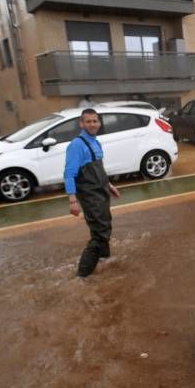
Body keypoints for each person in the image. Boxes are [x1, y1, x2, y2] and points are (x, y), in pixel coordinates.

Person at [64, 108, 121, 277]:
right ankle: (82, 276)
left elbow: (99, 168)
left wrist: (109, 185)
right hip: (89, 195)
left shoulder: (96, 142)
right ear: (81, 124)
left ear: (99, 123)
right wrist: (72, 200)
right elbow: (69, 174)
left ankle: (104, 259)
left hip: (101, 191)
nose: (92, 124)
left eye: (95, 121)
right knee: (100, 232)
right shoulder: (76, 145)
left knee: (104, 224)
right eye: (88, 121)